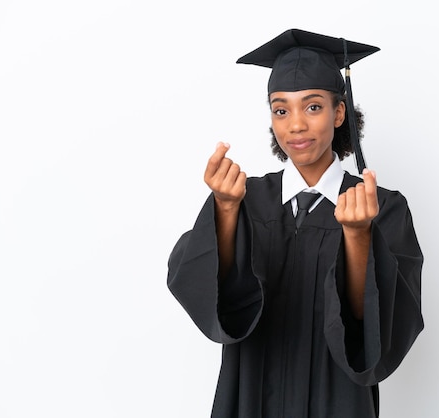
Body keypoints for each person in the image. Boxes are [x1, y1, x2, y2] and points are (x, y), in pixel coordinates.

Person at [167, 28, 424, 418]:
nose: (296, 125)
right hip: (250, 397)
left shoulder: (381, 208)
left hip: (335, 401)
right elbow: (215, 301)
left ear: (340, 112)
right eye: (281, 109)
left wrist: (357, 235)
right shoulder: (243, 199)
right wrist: (223, 211)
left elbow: (374, 335)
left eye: (313, 107)